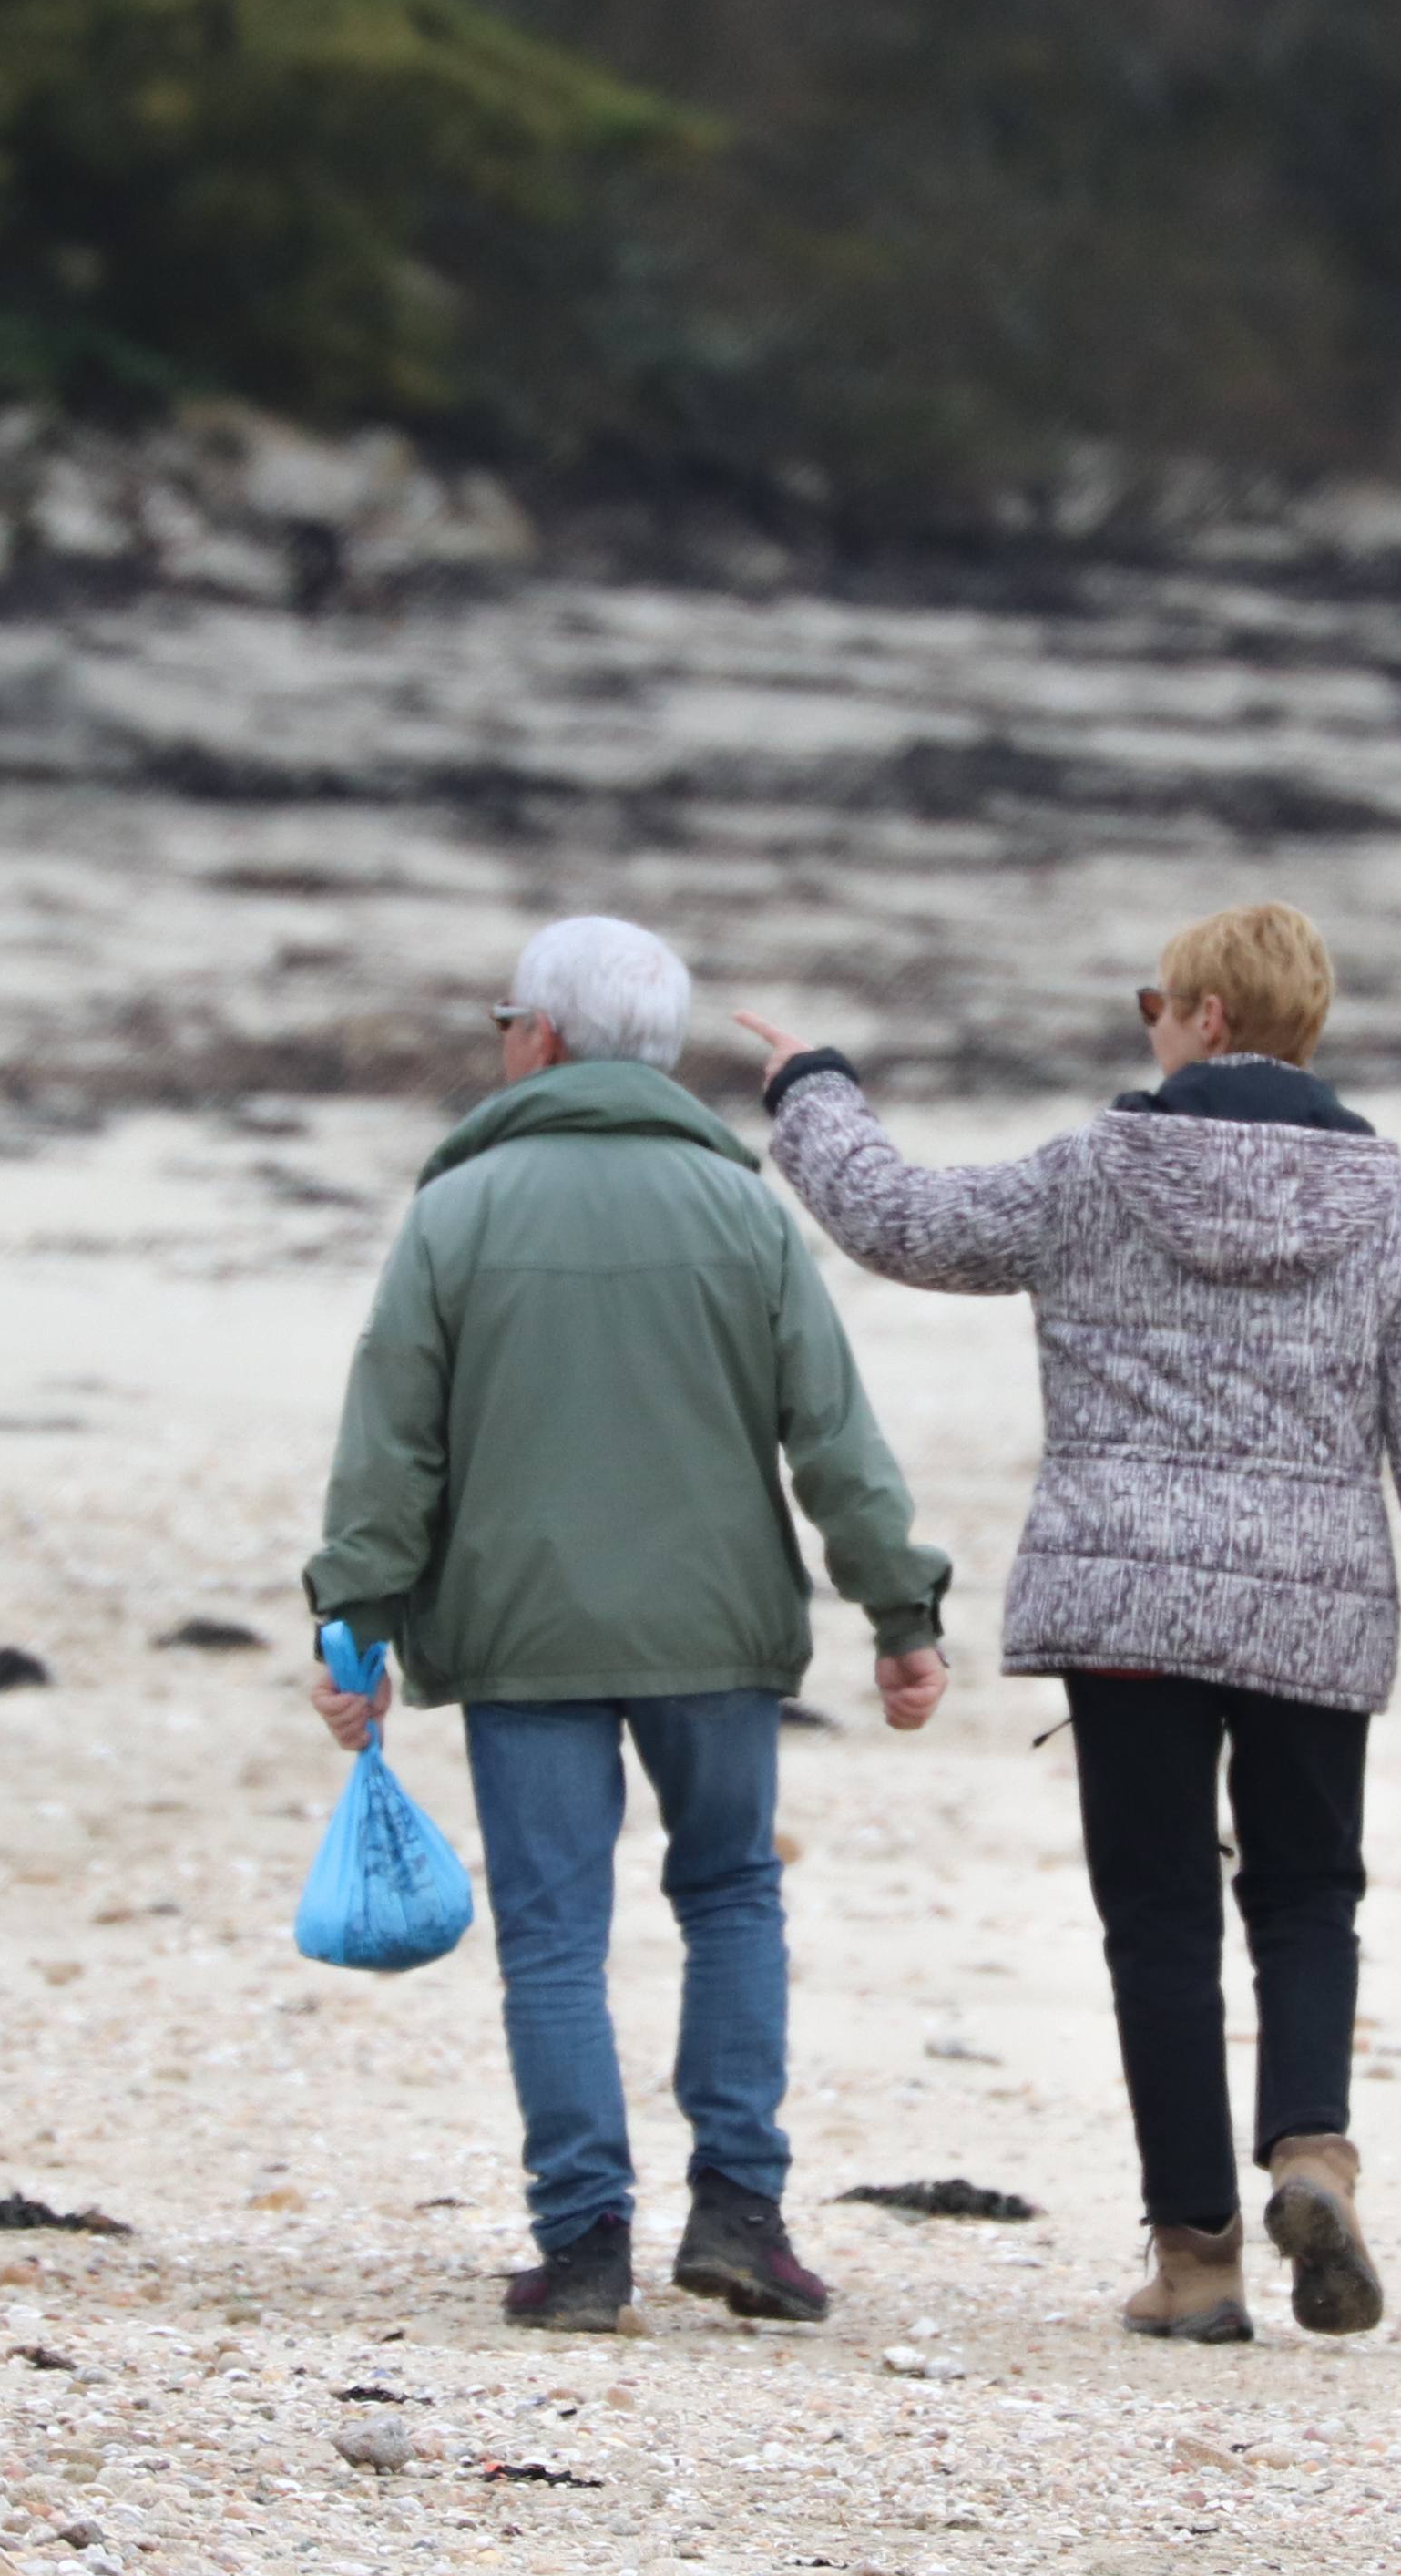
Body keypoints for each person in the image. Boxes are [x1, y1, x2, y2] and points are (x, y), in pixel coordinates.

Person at [735, 902, 1401, 2345]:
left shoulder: (1099, 1171)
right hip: (1312, 1604)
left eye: (1153, 1000)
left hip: (1127, 1602)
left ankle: (1199, 2262)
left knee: (1157, 1923)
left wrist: (813, 1088)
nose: (1145, 1019)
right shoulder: (1387, 1203)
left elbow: (905, 1224)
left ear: (1210, 1019)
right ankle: (1311, 2153)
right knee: (1307, 1897)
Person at [303, 916, 956, 2334]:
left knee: (554, 1934)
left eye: (501, 1021)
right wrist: (899, 1611)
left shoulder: (458, 1214)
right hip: (716, 1631)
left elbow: (390, 1446)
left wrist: (354, 1627)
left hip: (521, 1631)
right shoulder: (741, 1213)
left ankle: (584, 2241)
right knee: (729, 1898)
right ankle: (739, 2213)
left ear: (538, 1038)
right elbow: (832, 1437)